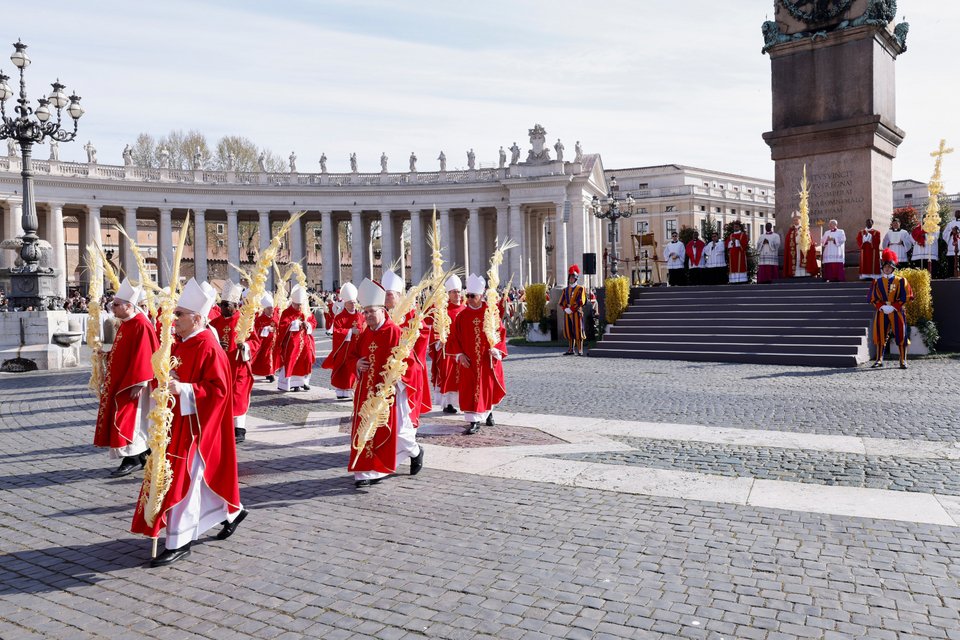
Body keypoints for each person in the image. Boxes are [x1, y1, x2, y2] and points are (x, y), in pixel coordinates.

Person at [131, 278, 245, 567]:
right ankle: (231, 511)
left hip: (195, 428)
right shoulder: (181, 343)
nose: (174, 318)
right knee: (192, 481)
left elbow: (219, 391)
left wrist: (183, 390)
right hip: (175, 424)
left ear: (196, 318)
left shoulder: (208, 346)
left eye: (179, 314)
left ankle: (179, 540)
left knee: (184, 480)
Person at [346, 279, 424, 488]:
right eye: (365, 312)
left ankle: (415, 451)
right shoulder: (365, 334)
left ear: (382, 310)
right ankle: (365, 471)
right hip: (366, 393)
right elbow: (352, 355)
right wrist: (356, 363)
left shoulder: (395, 332)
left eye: (372, 311)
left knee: (397, 432)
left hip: (389, 393)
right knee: (366, 428)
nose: (368, 316)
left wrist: (399, 376)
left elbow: (412, 364)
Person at [93, 278, 159, 477]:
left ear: (129, 306)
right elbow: (124, 351)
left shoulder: (141, 324)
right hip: (122, 379)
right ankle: (140, 455)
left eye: (116, 304)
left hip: (134, 382)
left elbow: (146, 354)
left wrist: (140, 382)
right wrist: (105, 356)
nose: (112, 307)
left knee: (129, 418)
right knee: (128, 417)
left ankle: (132, 457)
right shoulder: (126, 323)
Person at [445, 274, 507, 435]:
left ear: (481, 295)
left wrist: (497, 349)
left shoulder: (490, 313)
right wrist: (459, 355)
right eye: (468, 296)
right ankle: (473, 421)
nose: (469, 299)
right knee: (470, 390)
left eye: (473, 296)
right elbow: (454, 338)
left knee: (487, 388)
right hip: (469, 360)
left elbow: (500, 332)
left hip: (486, 360)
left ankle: (488, 413)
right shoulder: (462, 316)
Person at [382, 270, 432, 424]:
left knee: (405, 412)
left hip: (406, 368)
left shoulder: (411, 314)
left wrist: (408, 339)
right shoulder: (380, 314)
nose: (386, 298)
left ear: (398, 295)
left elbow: (423, 332)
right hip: (384, 368)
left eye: (389, 294)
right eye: (384, 294)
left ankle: (408, 440)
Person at [209, 281, 254, 444]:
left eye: (225, 305)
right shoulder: (214, 323)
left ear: (235, 305)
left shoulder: (244, 321)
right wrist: (217, 344)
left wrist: (246, 346)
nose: (222, 308)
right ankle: (226, 427)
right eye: (221, 305)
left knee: (238, 396)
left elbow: (255, 341)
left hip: (238, 366)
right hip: (220, 368)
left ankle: (240, 429)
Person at [869, 249, 913, 370]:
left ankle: (903, 360)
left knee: (901, 334)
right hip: (882, 311)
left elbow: (907, 296)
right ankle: (879, 359)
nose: (887, 269)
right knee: (880, 335)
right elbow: (873, 297)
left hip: (897, 311)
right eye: (885, 267)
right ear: (882, 268)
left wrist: (894, 306)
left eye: (889, 267)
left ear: (893, 268)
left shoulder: (901, 280)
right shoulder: (876, 282)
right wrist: (881, 306)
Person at [430, 275, 466, 413]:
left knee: (463, 377)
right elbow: (436, 328)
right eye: (453, 292)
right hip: (447, 349)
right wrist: (439, 339)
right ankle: (448, 404)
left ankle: (463, 402)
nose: (457, 294)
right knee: (449, 376)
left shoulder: (465, 309)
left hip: (463, 349)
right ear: (448, 294)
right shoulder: (443, 310)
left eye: (458, 291)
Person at [320, 282, 362, 399]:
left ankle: (351, 391)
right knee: (343, 370)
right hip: (343, 349)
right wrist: (350, 331)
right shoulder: (340, 317)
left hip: (356, 349)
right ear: (345, 303)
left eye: (354, 303)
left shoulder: (360, 316)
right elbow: (337, 332)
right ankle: (341, 392)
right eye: (350, 303)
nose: (353, 305)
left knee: (353, 370)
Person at [276, 286, 317, 392]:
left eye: (301, 305)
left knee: (307, 359)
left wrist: (307, 324)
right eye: (297, 305)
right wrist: (295, 324)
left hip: (305, 342)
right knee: (292, 360)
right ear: (293, 303)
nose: (299, 307)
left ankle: (304, 382)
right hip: (292, 343)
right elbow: (283, 325)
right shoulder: (287, 312)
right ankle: (293, 383)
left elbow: (313, 322)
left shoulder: (306, 311)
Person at [558, 265, 586, 356]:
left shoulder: (580, 289)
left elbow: (581, 301)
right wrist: (565, 309)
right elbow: (562, 301)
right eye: (570, 277)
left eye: (573, 277)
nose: (571, 279)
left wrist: (572, 309)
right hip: (568, 313)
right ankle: (571, 349)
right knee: (569, 331)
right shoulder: (565, 290)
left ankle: (580, 349)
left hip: (576, 312)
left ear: (576, 278)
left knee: (578, 331)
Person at [250, 293, 279, 382]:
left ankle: (271, 373)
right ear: (265, 309)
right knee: (265, 358)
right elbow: (256, 330)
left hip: (273, 342)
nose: (272, 310)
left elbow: (278, 327)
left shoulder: (275, 318)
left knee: (272, 357)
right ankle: (268, 373)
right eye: (269, 308)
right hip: (263, 343)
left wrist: (275, 329)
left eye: (272, 308)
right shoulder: (259, 319)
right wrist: (266, 329)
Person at [941, 210, 960, 276]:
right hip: (952, 249)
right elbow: (944, 235)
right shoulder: (950, 224)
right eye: (956, 213)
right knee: (951, 268)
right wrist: (952, 232)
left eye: (959, 213)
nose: (957, 214)